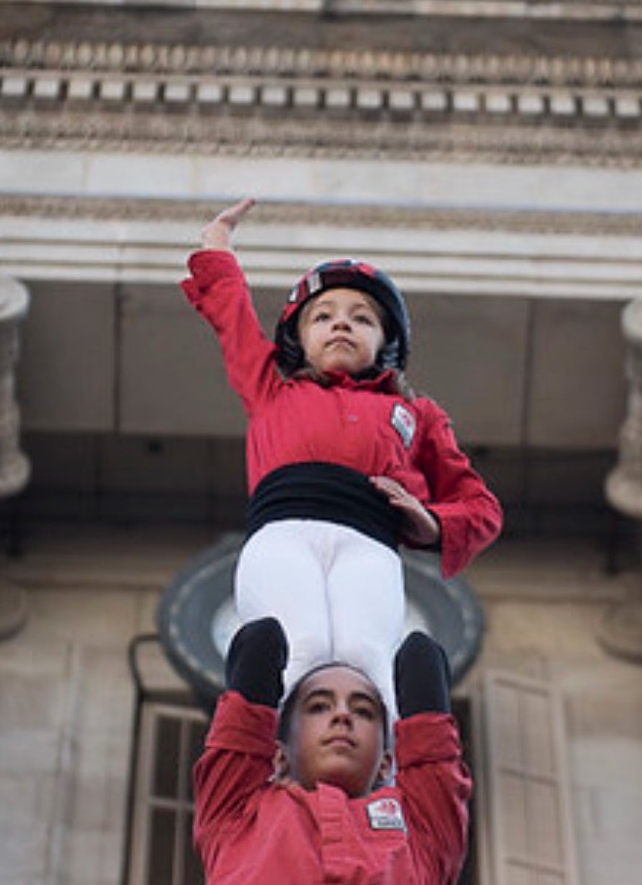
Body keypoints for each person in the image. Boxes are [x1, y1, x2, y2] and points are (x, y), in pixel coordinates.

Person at [182, 198, 502, 718]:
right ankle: (281, 781)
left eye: (362, 319)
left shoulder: (415, 414)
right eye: (323, 317)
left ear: (385, 343)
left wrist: (430, 522)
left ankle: (383, 786)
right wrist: (217, 246)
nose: (341, 326)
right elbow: (232, 316)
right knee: (299, 650)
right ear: (299, 340)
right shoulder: (270, 389)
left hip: (369, 543)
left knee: (368, 664)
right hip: (283, 534)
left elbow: (482, 508)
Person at [193, 617, 471, 885]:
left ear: (386, 762)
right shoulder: (236, 815)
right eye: (318, 706)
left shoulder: (422, 835)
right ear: (278, 756)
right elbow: (258, 648)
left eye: (363, 711)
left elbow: (433, 753)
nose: (342, 715)